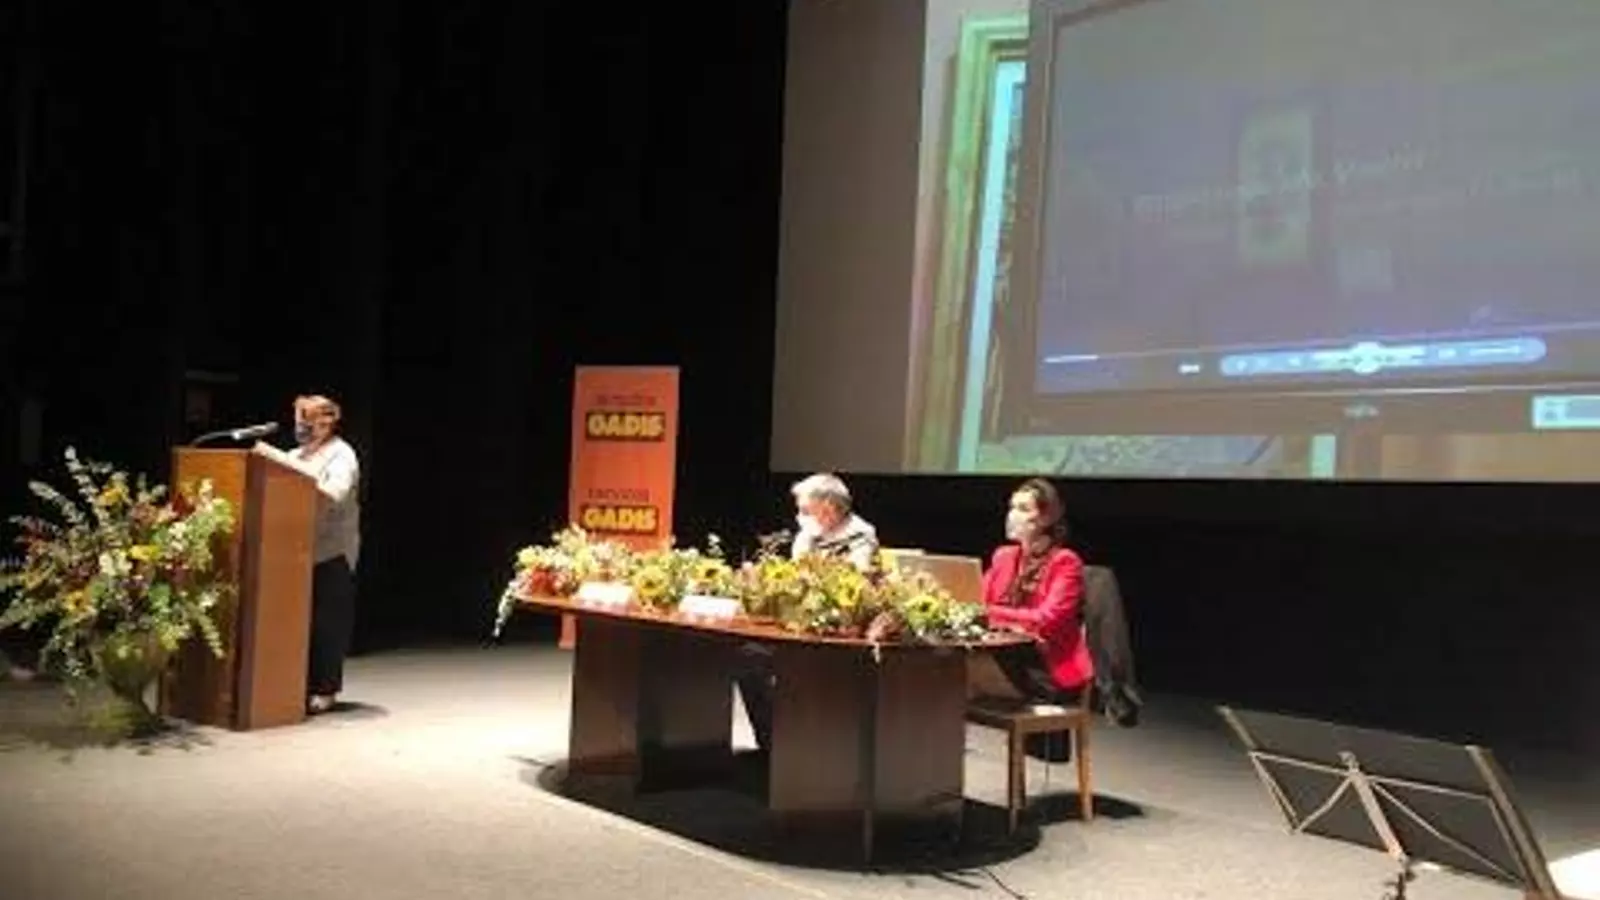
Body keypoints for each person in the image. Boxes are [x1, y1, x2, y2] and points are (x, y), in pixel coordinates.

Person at [737, 473, 880, 752]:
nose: (799, 517)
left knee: (801, 666)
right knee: (747, 657)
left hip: (839, 635)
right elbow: (794, 582)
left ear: (828, 507)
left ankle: (807, 750)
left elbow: (853, 586)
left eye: (804, 510)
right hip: (798, 628)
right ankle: (771, 744)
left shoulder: (861, 537)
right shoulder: (806, 536)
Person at [975, 477, 1094, 761]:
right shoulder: (1004, 556)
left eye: (1022, 508)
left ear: (1046, 517)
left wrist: (992, 613)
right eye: (1011, 507)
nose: (1012, 515)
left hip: (1046, 670)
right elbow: (977, 600)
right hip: (1008, 658)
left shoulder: (1065, 562)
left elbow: (1047, 618)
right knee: (947, 671)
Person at [262, 394, 361, 714]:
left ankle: (325, 689)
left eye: (307, 420)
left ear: (326, 422)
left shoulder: (341, 454)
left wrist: (299, 475)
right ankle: (293, 684)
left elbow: (335, 493)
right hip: (293, 551)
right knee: (297, 623)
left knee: (326, 623)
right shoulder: (295, 455)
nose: (300, 427)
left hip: (331, 550)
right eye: (297, 420)